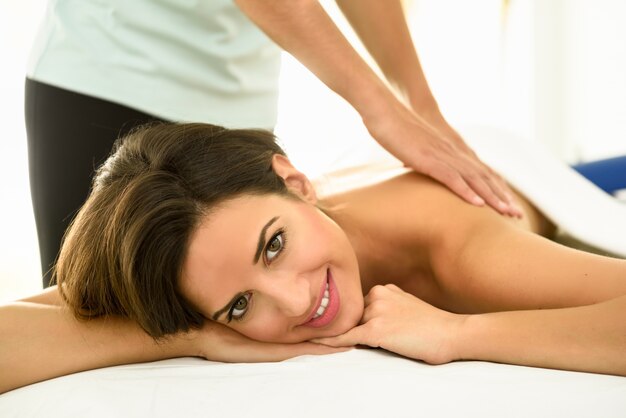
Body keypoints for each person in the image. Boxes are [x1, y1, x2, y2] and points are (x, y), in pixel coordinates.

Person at [2, 122, 625, 394]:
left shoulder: (460, 254)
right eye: (241, 304)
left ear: (296, 182)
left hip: (503, 168)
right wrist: (182, 337)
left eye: (274, 245)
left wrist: (455, 332)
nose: (299, 303)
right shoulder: (209, 250)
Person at [26, 0, 520, 287]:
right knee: (95, 320)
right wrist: (382, 110)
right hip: (107, 77)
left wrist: (419, 104)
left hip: (236, 105)